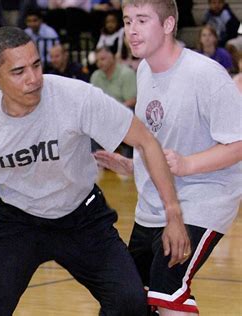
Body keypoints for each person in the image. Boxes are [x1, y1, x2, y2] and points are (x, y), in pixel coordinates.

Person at [0, 26, 192, 315]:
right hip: (18, 223)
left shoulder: (76, 97)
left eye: (36, 65)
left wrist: (173, 214)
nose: (33, 79)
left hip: (83, 217)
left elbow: (146, 141)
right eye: (19, 72)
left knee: (130, 302)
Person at [95, 0, 241, 314]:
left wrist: (189, 164)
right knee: (127, 297)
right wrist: (132, 165)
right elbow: (156, 140)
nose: (131, 30)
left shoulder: (206, 75)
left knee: (166, 284)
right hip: (154, 203)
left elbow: (239, 144)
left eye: (142, 20)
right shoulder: (145, 69)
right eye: (128, 20)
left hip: (203, 199)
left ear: (168, 25)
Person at [91, 45, 136, 157]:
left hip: (124, 113)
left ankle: (128, 159)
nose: (100, 63)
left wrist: (114, 111)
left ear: (113, 57)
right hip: (103, 116)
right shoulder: (95, 76)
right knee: (88, 121)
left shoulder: (127, 74)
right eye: (97, 61)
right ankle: (97, 161)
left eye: (103, 59)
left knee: (131, 115)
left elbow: (132, 100)